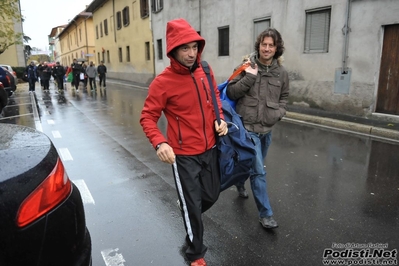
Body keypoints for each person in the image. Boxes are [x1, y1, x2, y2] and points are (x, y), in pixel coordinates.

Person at [140, 18, 228, 266]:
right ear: (173, 51)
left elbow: (215, 99)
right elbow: (147, 116)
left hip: (210, 148)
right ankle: (195, 253)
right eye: (184, 48)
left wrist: (219, 119)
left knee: (210, 195)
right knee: (193, 209)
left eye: (194, 47)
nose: (191, 54)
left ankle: (189, 207)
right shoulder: (163, 83)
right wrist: (160, 143)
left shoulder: (206, 71)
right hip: (183, 156)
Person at [226, 28, 289, 229]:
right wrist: (250, 77)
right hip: (248, 129)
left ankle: (239, 180)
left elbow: (284, 98)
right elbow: (231, 92)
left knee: (253, 166)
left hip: (266, 130)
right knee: (259, 171)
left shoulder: (282, 73)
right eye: (264, 44)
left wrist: (278, 113)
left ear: (277, 48)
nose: (267, 48)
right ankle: (266, 214)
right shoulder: (246, 67)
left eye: (271, 45)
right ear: (259, 45)